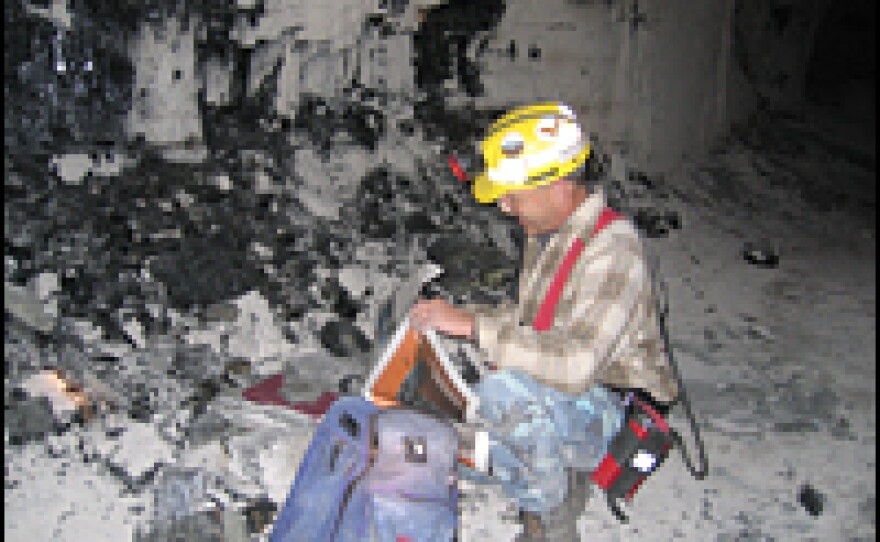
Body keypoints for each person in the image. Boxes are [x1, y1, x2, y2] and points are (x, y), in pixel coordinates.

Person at [409, 102, 680, 540]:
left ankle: (551, 524)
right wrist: (459, 321)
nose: (504, 205)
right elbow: (529, 320)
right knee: (448, 433)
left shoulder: (615, 249)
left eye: (513, 194)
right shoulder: (548, 234)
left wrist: (476, 329)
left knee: (503, 394)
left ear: (557, 184)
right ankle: (550, 474)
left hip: (611, 404)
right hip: (568, 391)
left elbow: (575, 365)